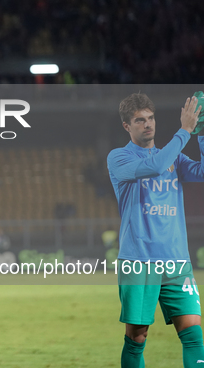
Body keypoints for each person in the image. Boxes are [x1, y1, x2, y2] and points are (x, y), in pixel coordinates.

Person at [107, 93, 204, 368]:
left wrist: (200, 133)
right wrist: (184, 130)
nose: (147, 125)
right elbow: (156, 166)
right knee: (137, 339)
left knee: (194, 336)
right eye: (140, 120)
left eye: (150, 118)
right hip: (139, 260)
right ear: (127, 126)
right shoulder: (119, 158)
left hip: (177, 260)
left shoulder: (175, 156)